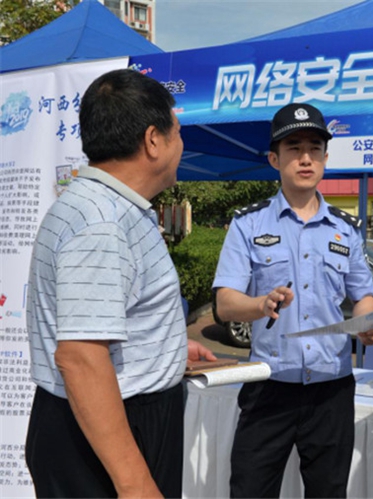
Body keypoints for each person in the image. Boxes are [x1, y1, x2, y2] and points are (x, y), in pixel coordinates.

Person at [25, 68, 216, 498]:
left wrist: (164, 345)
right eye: (178, 133)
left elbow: (96, 323)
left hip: (106, 420)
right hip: (107, 433)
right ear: (153, 140)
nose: (182, 145)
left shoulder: (107, 208)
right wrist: (135, 483)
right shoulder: (102, 223)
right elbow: (81, 358)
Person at [212, 102, 373, 498]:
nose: (305, 158)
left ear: (325, 158)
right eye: (294, 148)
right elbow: (225, 303)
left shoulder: (346, 229)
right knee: (250, 490)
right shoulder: (247, 223)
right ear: (274, 159)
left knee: (329, 492)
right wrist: (261, 305)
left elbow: (363, 295)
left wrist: (368, 324)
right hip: (268, 385)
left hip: (331, 388)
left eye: (314, 148)